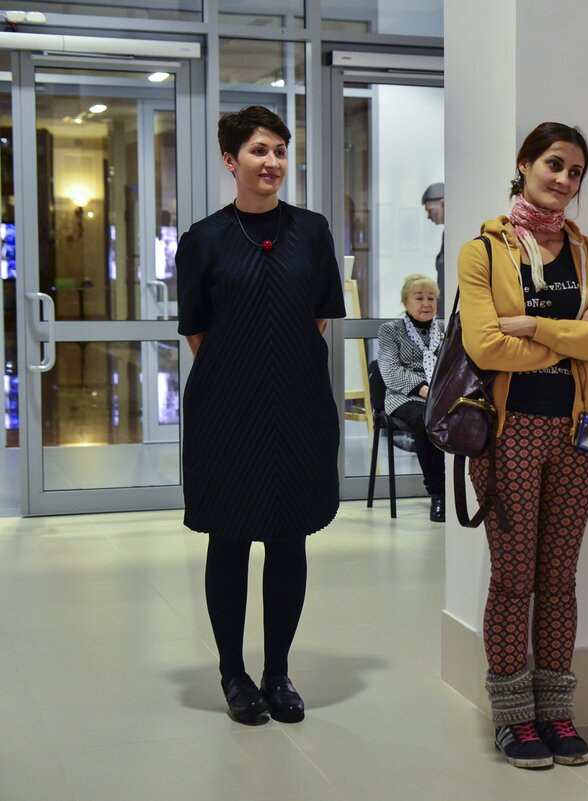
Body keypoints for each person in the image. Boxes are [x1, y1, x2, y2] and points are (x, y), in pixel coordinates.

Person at [458, 122, 588, 769]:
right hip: (510, 434)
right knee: (513, 579)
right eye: (554, 164)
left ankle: (555, 710)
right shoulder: (483, 252)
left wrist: (531, 324)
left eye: (576, 171)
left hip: (581, 434)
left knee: (559, 578)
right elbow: (485, 346)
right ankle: (512, 717)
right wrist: (571, 331)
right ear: (525, 164)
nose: (564, 179)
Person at [176, 105, 345, 725]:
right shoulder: (203, 239)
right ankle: (233, 673)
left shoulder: (312, 231)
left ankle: (277, 672)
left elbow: (318, 315)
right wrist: (245, 368)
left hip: (298, 407)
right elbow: (197, 329)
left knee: (288, 537)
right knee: (229, 538)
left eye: (279, 150)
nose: (272, 162)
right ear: (231, 160)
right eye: (258, 151)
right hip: (226, 410)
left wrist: (279, 366)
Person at [376, 273, 446, 521]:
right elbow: (389, 370)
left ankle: (463, 491)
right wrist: (424, 390)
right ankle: (438, 493)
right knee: (425, 419)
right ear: (405, 302)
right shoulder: (390, 331)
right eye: (419, 298)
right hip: (404, 396)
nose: (426, 304)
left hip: (441, 394)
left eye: (431, 298)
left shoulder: (445, 329)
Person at [422, 182, 446, 316]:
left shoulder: (454, 235)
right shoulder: (446, 234)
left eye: (430, 210)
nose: (428, 216)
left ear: (443, 204)